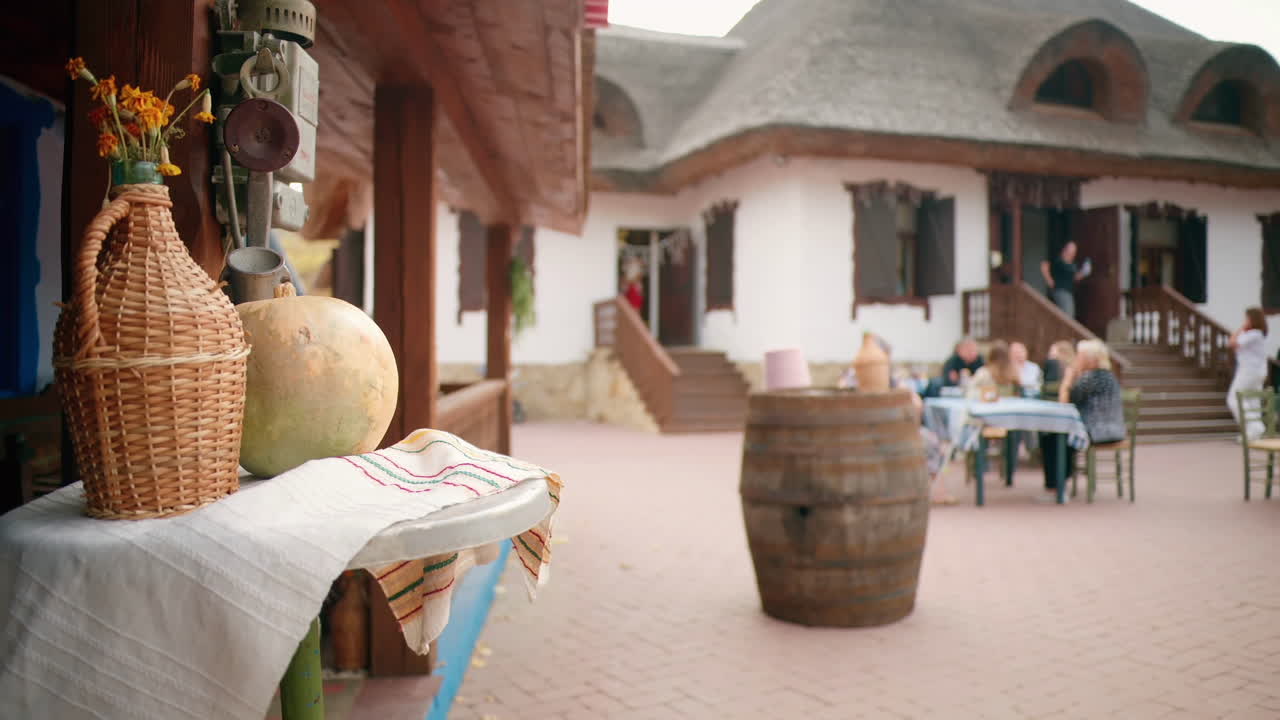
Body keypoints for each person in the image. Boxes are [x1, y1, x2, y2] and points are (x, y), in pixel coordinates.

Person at [1042, 339, 1125, 495]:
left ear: (1090, 360)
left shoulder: (1090, 378)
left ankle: (1056, 482)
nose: (1076, 360)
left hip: (1098, 431)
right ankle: (1058, 479)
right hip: (1113, 429)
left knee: (1052, 436)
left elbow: (1064, 403)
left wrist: (1067, 378)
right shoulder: (1107, 376)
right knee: (1056, 435)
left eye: (1079, 356)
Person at [1228, 307, 1269, 439]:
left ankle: (1255, 426)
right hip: (1257, 371)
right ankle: (1252, 434)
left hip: (1249, 370)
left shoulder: (1254, 334)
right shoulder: (1257, 334)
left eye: (1246, 318)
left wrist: (1241, 328)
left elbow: (1232, 342)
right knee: (1252, 400)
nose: (1245, 321)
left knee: (1234, 398)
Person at [1040, 241, 1090, 318]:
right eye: (1069, 250)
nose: (1071, 253)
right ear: (1064, 249)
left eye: (1073, 251)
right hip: (1060, 290)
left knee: (1069, 314)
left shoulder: (1072, 265)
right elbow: (1044, 266)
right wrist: (1049, 280)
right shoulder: (1058, 261)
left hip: (1068, 292)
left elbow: (1075, 278)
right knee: (1067, 315)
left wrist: (1084, 272)